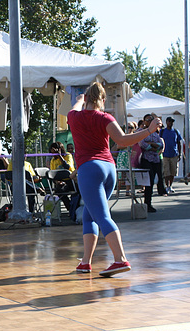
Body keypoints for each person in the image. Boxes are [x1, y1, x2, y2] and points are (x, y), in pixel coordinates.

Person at [67, 82, 162, 277]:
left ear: (85, 99)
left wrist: (79, 101)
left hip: (89, 169)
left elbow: (74, 107)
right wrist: (149, 130)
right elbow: (123, 141)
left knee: (101, 216)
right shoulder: (105, 118)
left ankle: (120, 259)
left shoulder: (73, 117)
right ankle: (85, 262)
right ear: (103, 100)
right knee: (89, 214)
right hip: (109, 169)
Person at [139, 114, 166, 213]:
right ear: (144, 121)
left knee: (154, 180)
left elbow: (161, 144)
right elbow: (142, 144)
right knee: (148, 182)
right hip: (145, 159)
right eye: (147, 120)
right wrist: (151, 146)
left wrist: (153, 145)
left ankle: (149, 203)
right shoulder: (141, 131)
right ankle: (147, 204)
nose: (150, 121)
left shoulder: (155, 132)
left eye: (151, 120)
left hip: (155, 159)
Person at [160, 117, 183, 194]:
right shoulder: (162, 131)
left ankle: (170, 186)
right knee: (166, 172)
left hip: (174, 154)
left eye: (172, 121)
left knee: (173, 171)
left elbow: (179, 143)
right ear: (166, 122)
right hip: (165, 154)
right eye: (169, 121)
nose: (171, 123)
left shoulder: (176, 131)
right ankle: (167, 186)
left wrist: (180, 154)